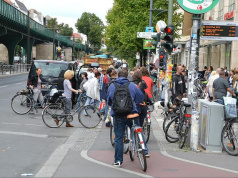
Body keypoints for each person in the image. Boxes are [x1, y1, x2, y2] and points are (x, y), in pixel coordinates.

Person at [107, 69, 145, 167]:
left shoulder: (112, 86)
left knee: (119, 138)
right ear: (127, 76)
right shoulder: (132, 85)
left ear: (118, 76)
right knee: (137, 130)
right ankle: (143, 149)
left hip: (118, 115)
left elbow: (109, 101)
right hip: (131, 114)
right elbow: (140, 98)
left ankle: (118, 161)